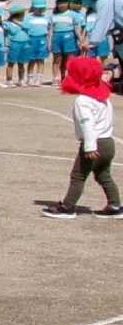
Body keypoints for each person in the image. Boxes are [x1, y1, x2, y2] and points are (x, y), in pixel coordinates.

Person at [42, 56, 121, 218]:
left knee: (78, 175)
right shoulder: (103, 96)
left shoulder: (83, 101)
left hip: (95, 143)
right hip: (108, 141)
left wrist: (90, 146)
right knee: (104, 175)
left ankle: (68, 207)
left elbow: (87, 124)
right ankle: (115, 205)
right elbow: (110, 119)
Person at [51, 0, 81, 80]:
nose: (62, 5)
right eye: (60, 3)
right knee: (57, 59)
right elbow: (51, 30)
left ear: (68, 3)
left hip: (69, 36)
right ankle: (57, 78)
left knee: (70, 59)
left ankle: (71, 77)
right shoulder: (53, 16)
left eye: (64, 2)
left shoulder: (73, 14)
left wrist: (80, 39)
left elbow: (77, 28)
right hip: (57, 37)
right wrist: (49, 42)